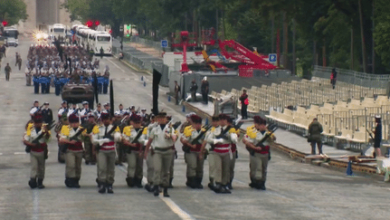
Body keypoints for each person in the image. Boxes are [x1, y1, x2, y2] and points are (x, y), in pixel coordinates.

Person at [144, 112, 177, 197]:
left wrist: (172, 137)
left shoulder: (170, 128)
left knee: (166, 171)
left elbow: (174, 137)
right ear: (157, 120)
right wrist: (146, 151)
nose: (161, 120)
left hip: (167, 151)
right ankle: (156, 187)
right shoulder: (155, 129)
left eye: (163, 118)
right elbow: (150, 141)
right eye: (159, 118)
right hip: (157, 151)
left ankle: (165, 188)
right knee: (157, 169)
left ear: (166, 119)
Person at [205, 114, 237, 193]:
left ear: (226, 121)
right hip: (217, 151)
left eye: (224, 120)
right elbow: (208, 139)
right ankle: (218, 184)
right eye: (221, 120)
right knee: (218, 168)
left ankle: (224, 184)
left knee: (226, 169)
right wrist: (216, 141)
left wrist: (230, 136)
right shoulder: (215, 130)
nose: (222, 121)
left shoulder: (230, 129)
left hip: (226, 151)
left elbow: (235, 139)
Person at [243, 116, 275, 190]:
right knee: (258, 168)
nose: (262, 126)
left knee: (264, 168)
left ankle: (262, 182)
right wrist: (254, 148)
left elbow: (272, 140)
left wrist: (270, 137)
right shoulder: (253, 132)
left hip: (265, 153)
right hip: (256, 153)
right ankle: (257, 181)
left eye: (264, 125)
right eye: (260, 125)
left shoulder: (268, 133)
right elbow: (247, 141)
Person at [91, 112, 121, 194]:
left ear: (110, 119)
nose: (105, 121)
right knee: (102, 167)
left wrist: (113, 137)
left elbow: (118, 138)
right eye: (104, 119)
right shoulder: (97, 128)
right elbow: (94, 140)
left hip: (111, 150)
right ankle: (102, 184)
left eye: (107, 119)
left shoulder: (115, 128)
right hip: (101, 150)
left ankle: (110, 184)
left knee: (111, 168)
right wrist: (103, 140)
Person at [23, 113, 51, 189]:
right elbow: (25, 140)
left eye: (39, 122)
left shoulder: (45, 128)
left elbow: (48, 139)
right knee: (34, 167)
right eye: (36, 122)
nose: (38, 124)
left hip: (42, 150)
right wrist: (31, 144)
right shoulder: (30, 129)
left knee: (41, 167)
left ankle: (40, 181)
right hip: (33, 151)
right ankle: (33, 180)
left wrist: (46, 133)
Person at [59, 114, 84, 188]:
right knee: (71, 165)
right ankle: (70, 179)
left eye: (76, 122)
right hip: (70, 150)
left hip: (79, 150)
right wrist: (69, 142)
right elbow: (61, 139)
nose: (74, 124)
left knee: (78, 166)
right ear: (69, 122)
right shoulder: (65, 128)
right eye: (72, 122)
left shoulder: (81, 129)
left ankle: (76, 179)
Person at [181, 115, 206, 189]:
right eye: (196, 123)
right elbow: (183, 140)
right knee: (192, 166)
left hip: (200, 150)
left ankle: (199, 182)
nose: (197, 125)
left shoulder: (203, 131)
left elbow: (205, 141)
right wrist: (191, 145)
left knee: (200, 167)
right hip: (191, 151)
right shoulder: (188, 129)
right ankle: (191, 181)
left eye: (199, 124)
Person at [122, 115, 147, 188]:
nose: (137, 124)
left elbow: (146, 140)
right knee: (132, 165)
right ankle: (131, 179)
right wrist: (132, 145)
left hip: (140, 150)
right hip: (131, 150)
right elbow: (124, 140)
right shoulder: (127, 129)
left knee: (139, 166)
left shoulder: (144, 129)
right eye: (136, 122)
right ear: (132, 122)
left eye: (139, 122)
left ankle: (138, 180)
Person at [200, 115, 219, 190]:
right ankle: (212, 181)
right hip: (212, 151)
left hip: (221, 150)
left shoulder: (222, 130)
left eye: (216, 121)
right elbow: (204, 142)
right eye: (213, 121)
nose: (215, 123)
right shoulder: (209, 130)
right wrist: (201, 152)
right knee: (212, 166)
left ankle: (219, 182)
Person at [144, 114, 156, 192]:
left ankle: (157, 183)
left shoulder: (165, 128)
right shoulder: (147, 129)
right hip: (151, 150)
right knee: (151, 167)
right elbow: (145, 140)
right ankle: (150, 182)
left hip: (160, 150)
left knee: (159, 168)